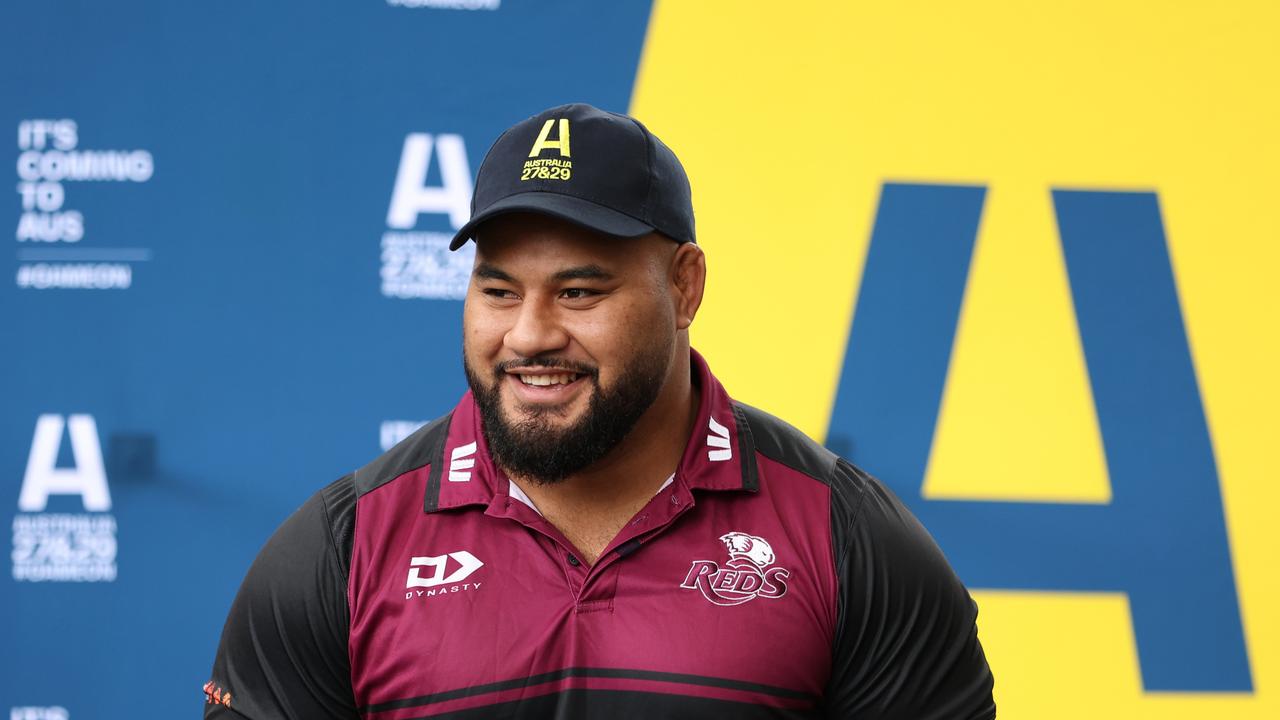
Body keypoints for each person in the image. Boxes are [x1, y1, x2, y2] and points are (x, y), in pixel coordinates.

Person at [204, 103, 996, 719]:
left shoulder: (846, 538)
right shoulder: (342, 548)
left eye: (579, 292)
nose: (529, 334)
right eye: (499, 290)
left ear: (684, 287)